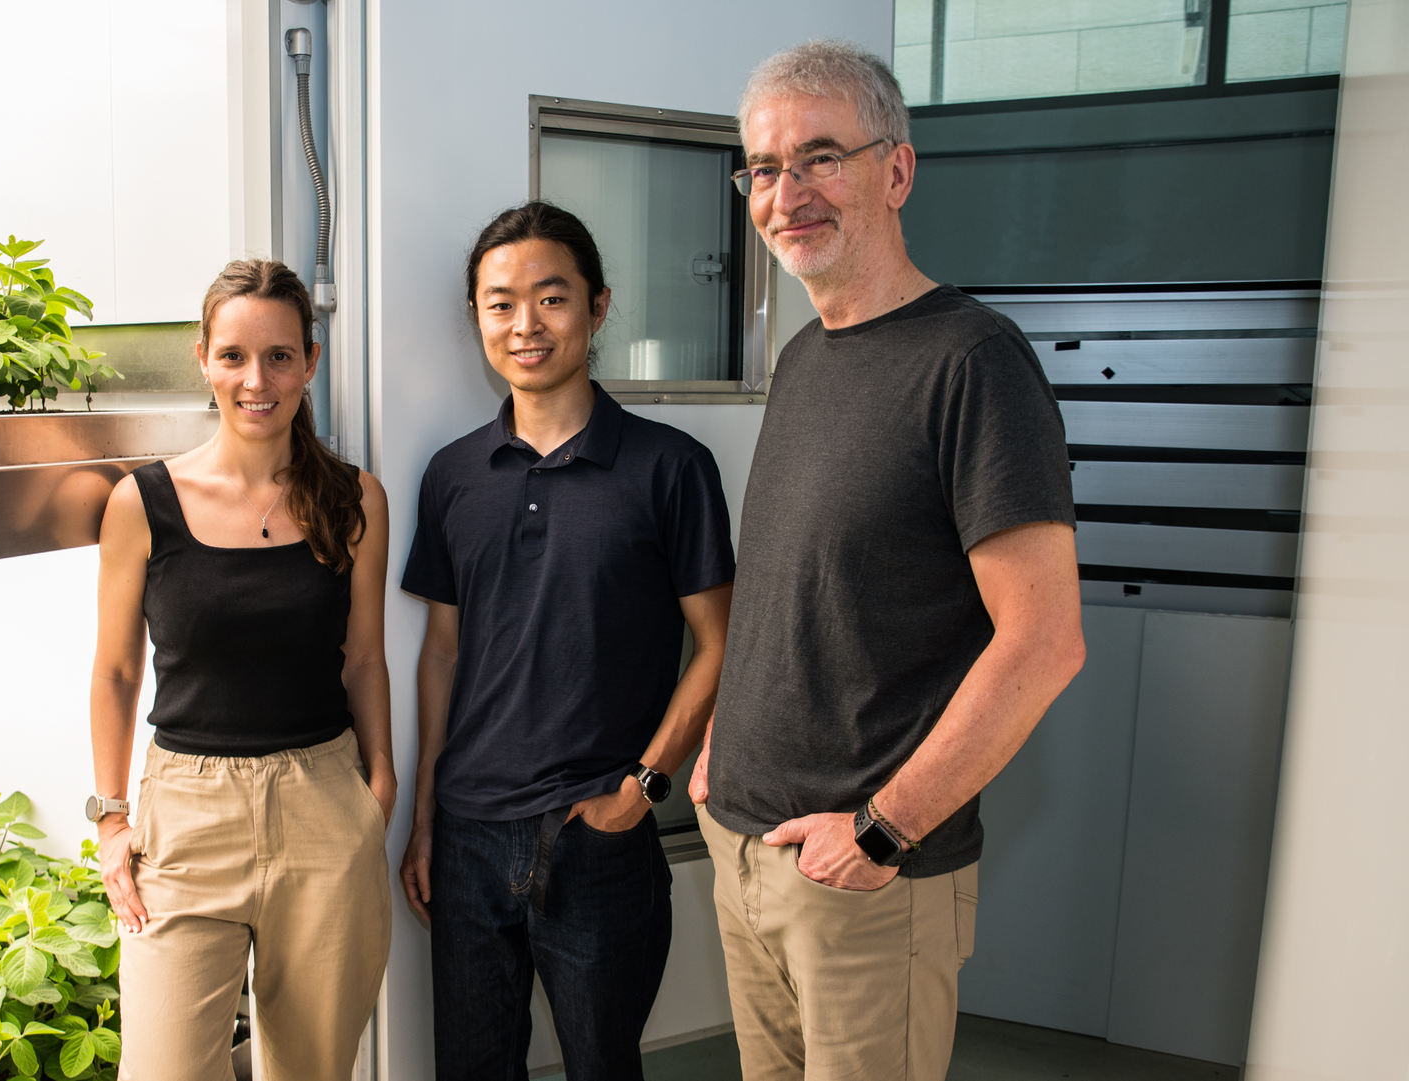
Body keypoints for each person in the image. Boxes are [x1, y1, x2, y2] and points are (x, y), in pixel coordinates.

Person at [690, 40, 1087, 1081]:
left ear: (897, 170)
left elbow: (1044, 641)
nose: (787, 194)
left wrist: (881, 830)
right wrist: (723, 745)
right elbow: (796, 586)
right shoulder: (803, 357)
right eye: (764, 169)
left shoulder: (975, 363)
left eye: (821, 157)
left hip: (866, 878)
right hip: (745, 845)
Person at [399, 202, 736, 1081]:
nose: (525, 324)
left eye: (552, 298)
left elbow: (719, 643)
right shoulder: (452, 473)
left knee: (601, 1067)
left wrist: (643, 789)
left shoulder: (671, 467)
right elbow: (442, 652)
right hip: (469, 834)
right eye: (500, 303)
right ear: (476, 317)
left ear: (599, 305)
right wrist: (428, 818)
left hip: (600, 836)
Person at [89, 259, 395, 1081]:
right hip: (185, 815)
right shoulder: (142, 503)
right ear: (203, 359)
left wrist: (381, 783)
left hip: (325, 804)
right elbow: (117, 670)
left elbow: (364, 656)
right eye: (233, 356)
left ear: (310, 362)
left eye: (280, 356)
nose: (256, 380)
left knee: (310, 1069)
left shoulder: (356, 500)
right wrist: (111, 817)